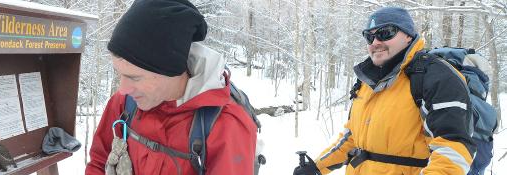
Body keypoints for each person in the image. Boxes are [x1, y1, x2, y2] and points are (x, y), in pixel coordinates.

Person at [294, 7, 476, 175]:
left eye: (385, 33)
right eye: (369, 36)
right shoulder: (368, 81)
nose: (375, 42)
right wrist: (317, 167)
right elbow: (352, 137)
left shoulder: (436, 76)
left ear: (408, 36)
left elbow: (453, 149)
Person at [85, 0, 258, 174]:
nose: (122, 88)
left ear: (170, 70)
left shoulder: (225, 126)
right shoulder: (126, 103)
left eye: (134, 77)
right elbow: (99, 161)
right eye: (119, 73)